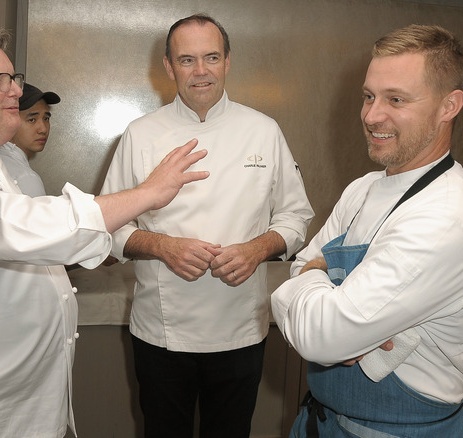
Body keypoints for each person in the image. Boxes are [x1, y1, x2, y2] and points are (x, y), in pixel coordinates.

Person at [0, 19, 208, 437]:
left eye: (14, 77)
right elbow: (18, 228)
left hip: (17, 409)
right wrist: (147, 194)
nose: (15, 89)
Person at [271, 24, 463, 437]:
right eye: (369, 96)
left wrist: (319, 287)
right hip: (323, 420)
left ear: (449, 105)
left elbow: (319, 337)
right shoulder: (363, 189)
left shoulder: (446, 218)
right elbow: (300, 266)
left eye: (396, 99)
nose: (372, 115)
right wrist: (317, 284)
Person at [100, 13, 314, 438]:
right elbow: (107, 230)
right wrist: (163, 246)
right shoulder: (140, 134)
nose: (201, 71)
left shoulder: (263, 131)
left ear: (228, 61)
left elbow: (296, 217)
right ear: (168, 67)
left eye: (211, 57)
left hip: (241, 330)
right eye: (187, 60)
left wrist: (256, 249)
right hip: (161, 334)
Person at [0, 82, 61, 196]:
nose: (43, 129)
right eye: (32, 120)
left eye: (46, 118)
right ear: (9, 121)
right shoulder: (25, 177)